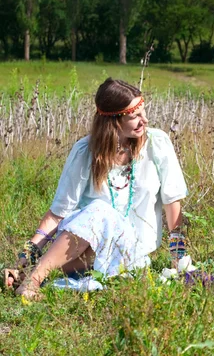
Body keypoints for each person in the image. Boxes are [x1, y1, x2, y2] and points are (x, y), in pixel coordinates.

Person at [3, 78, 188, 300]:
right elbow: (57, 214)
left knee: (100, 210)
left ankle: (32, 279)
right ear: (113, 121)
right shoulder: (85, 151)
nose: (145, 120)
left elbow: (172, 203)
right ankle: (26, 276)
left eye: (144, 112)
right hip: (86, 249)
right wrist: (23, 258)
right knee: (98, 213)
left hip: (131, 254)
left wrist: (179, 262)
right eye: (135, 117)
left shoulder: (158, 144)